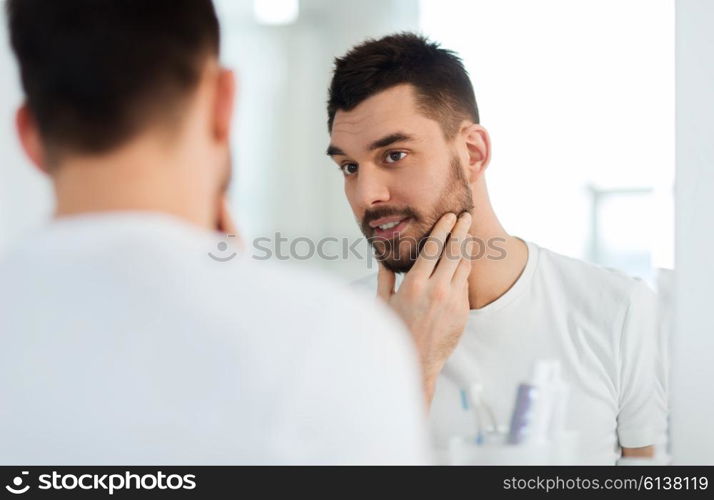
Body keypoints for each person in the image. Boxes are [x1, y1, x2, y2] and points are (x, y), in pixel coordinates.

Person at [0, 0, 432, 465]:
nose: (369, 194)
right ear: (224, 101)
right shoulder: (329, 341)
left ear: (29, 136)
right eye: (348, 166)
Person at [325, 33, 668, 464]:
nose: (365, 194)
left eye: (394, 155)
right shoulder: (335, 329)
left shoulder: (618, 311)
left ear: (472, 153)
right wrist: (411, 367)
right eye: (349, 167)